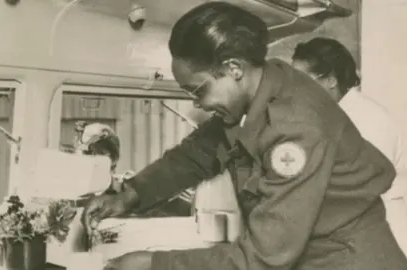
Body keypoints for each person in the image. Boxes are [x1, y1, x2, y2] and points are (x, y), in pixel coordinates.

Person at [83, 2, 407, 270]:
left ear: (234, 68)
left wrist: (151, 264)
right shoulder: (260, 90)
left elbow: (264, 259)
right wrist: (131, 194)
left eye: (199, 91)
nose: (199, 104)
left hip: (348, 260)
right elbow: (197, 154)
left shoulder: (295, 129)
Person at [291, 37, 407, 255]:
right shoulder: (336, 115)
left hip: (382, 236)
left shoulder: (367, 120)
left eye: (301, 81)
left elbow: (359, 188)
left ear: (331, 80)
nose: (295, 90)